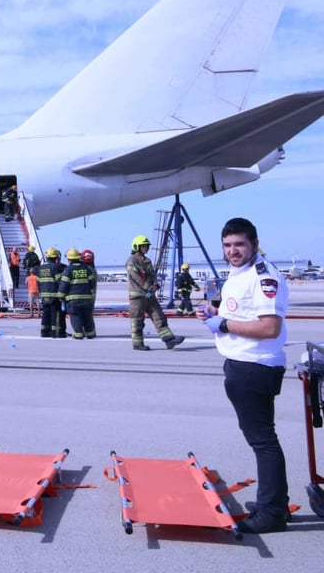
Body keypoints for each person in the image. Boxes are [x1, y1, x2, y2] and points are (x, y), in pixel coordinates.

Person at [198, 217, 290, 533]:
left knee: (263, 440)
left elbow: (269, 327)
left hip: (255, 366)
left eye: (239, 244)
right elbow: (241, 314)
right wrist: (217, 314)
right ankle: (274, 502)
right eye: (227, 245)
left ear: (254, 243)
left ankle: (272, 513)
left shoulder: (263, 277)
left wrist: (223, 325)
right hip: (242, 364)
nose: (233, 251)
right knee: (261, 438)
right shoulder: (240, 274)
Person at [126, 235, 184, 351]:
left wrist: (156, 285)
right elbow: (135, 277)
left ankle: (169, 339)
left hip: (149, 295)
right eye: (144, 246)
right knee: (137, 320)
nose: (146, 248)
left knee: (159, 316)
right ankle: (138, 343)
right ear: (137, 247)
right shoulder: (131, 261)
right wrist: (147, 287)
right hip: (137, 296)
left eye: (147, 246)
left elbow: (152, 275)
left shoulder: (147, 261)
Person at [57, 249, 97, 339]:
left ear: (69, 259)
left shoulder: (68, 270)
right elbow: (92, 283)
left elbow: (64, 284)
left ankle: (79, 333)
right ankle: (90, 333)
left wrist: (61, 296)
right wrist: (91, 295)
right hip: (87, 299)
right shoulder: (87, 268)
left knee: (75, 316)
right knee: (87, 316)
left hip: (73, 299)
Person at [36, 249, 64, 337]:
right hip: (54, 295)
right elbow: (60, 282)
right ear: (55, 257)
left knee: (46, 314)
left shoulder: (40, 268)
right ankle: (55, 332)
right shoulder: (55, 267)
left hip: (44, 295)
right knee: (55, 314)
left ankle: (44, 332)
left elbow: (38, 282)